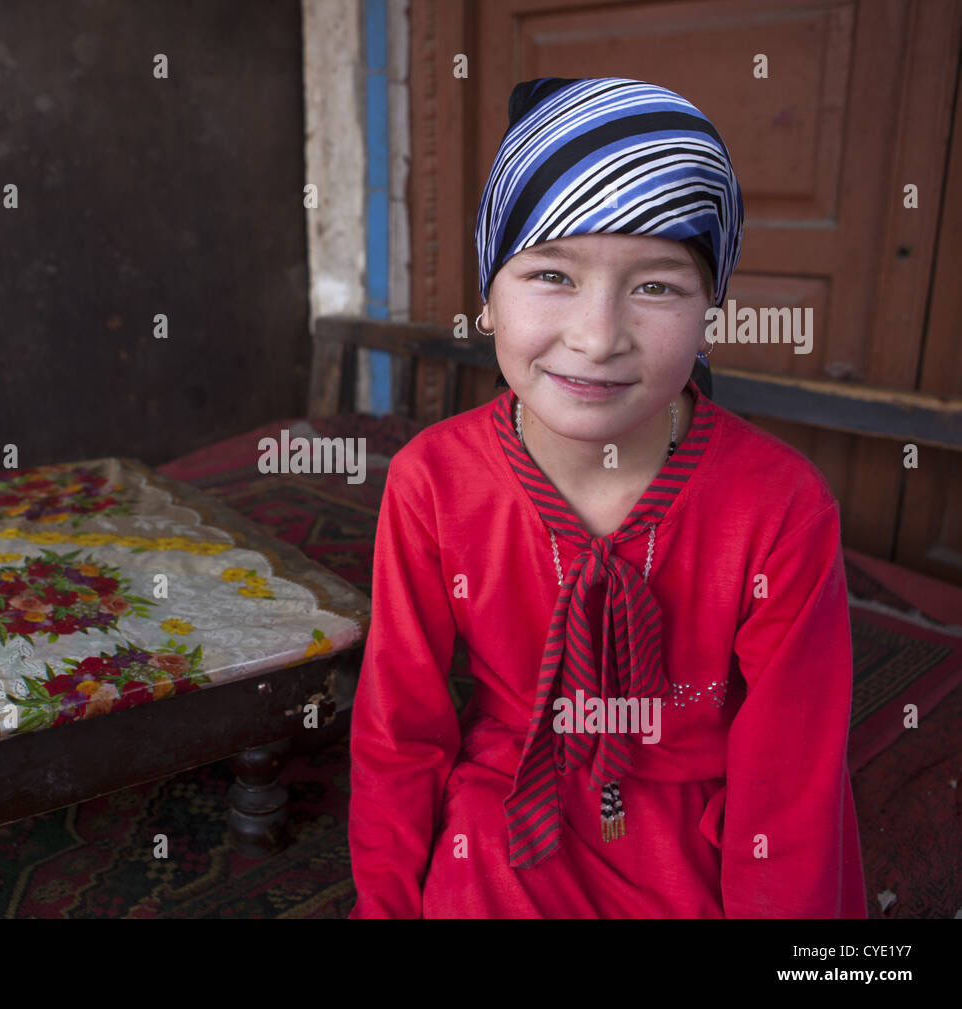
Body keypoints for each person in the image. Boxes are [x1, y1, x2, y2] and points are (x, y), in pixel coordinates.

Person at [347, 77, 867, 918]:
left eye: (657, 286)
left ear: (710, 313)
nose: (596, 336)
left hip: (699, 816)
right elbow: (399, 729)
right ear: (488, 295)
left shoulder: (780, 505)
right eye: (551, 272)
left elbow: (791, 773)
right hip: (511, 799)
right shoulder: (430, 482)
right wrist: (386, 902)